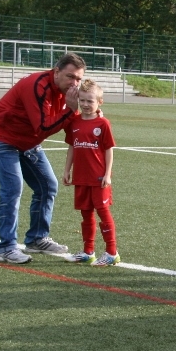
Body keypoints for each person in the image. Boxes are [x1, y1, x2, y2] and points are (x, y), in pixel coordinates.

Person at [0, 52, 85, 263]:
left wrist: (90, 119)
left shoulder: (65, 92)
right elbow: (43, 127)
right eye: (70, 76)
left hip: (27, 141)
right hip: (2, 137)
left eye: (78, 79)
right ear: (56, 72)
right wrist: (70, 110)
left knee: (48, 185)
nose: (74, 83)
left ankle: (37, 239)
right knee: (12, 188)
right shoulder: (37, 86)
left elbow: (71, 128)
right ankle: (5, 247)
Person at [61, 79, 119, 266]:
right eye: (82, 100)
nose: (85, 104)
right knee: (85, 213)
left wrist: (107, 174)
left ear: (100, 102)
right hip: (81, 176)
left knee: (103, 212)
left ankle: (112, 253)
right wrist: (67, 170)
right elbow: (72, 147)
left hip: (98, 177)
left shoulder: (103, 123)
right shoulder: (75, 122)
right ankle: (88, 252)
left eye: (90, 101)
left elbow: (109, 150)